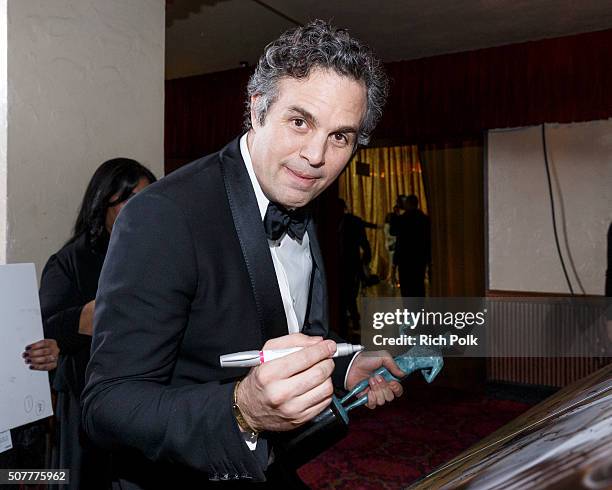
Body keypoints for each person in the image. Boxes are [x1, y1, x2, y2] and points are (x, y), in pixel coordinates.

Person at [82, 20, 405, 488]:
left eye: (341, 137)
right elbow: (106, 406)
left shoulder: (300, 198)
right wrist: (242, 410)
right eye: (300, 122)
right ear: (257, 110)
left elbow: (279, 332)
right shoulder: (162, 216)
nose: (316, 156)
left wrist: (343, 366)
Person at [39, 158, 156, 489]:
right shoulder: (70, 261)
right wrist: (88, 318)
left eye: (146, 199)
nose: (138, 209)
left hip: (146, 396)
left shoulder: (158, 251)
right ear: (103, 202)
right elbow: (46, 330)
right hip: (88, 404)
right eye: (127, 200)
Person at [338, 198, 376, 338]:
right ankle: (352, 319)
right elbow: (365, 245)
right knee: (348, 294)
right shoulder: (351, 221)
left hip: (350, 264)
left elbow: (364, 245)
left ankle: (351, 320)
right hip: (347, 264)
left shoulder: (351, 222)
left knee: (349, 294)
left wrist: (365, 262)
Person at [391, 194, 431, 297]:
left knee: (407, 291)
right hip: (419, 259)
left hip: (405, 260)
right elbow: (428, 241)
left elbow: (394, 233)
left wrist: (395, 214)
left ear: (407, 204)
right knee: (419, 289)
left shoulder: (402, 219)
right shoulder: (424, 219)